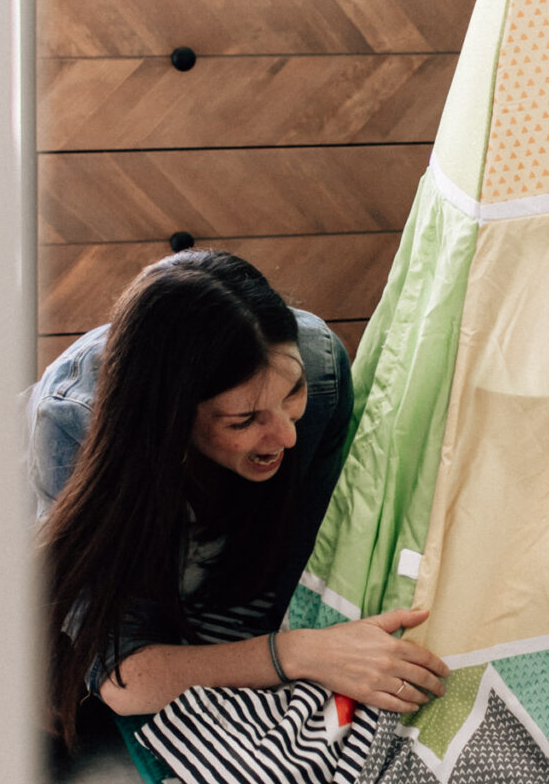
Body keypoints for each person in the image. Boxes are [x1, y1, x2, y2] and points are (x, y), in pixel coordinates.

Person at [32, 251, 447, 748]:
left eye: (292, 394)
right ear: (173, 421)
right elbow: (127, 677)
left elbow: (306, 569)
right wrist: (298, 654)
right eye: (245, 420)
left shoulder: (319, 362)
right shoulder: (73, 424)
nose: (286, 437)